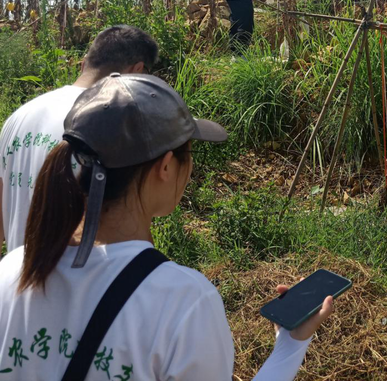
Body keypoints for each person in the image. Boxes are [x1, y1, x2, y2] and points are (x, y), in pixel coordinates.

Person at [0, 73, 334, 379]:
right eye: (188, 154)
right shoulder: (184, 302)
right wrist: (289, 347)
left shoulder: (13, 271)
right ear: (165, 166)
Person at [0, 25, 158, 253]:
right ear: (137, 71)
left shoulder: (18, 117)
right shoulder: (110, 122)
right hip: (84, 283)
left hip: (19, 281)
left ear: (84, 63)